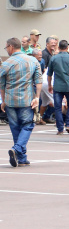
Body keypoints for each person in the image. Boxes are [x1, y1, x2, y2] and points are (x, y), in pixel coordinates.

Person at [0, 37, 42, 167]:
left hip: (11, 100)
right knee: (28, 125)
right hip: (26, 99)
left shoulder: (6, 63)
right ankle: (18, 150)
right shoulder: (33, 60)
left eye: (6, 47)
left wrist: (3, 100)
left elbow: (2, 84)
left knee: (15, 127)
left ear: (11, 47)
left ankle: (21, 156)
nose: (6, 50)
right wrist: (37, 97)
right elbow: (38, 81)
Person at [48, 40, 69, 135]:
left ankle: (60, 128)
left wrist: (49, 85)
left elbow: (49, 74)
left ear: (58, 47)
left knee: (57, 107)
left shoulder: (53, 58)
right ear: (67, 48)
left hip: (57, 85)